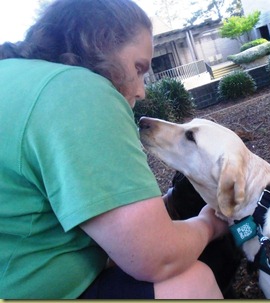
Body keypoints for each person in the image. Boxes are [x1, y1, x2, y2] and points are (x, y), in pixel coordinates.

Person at [0, 0, 228, 299]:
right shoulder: (78, 90)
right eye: (139, 67)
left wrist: (165, 207)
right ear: (101, 40)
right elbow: (156, 257)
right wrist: (209, 224)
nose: (141, 90)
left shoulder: (15, 77)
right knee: (191, 281)